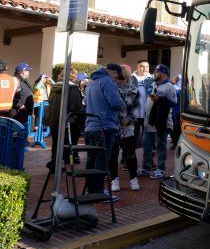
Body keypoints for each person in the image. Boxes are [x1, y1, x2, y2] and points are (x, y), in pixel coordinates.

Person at [83, 63, 125, 198]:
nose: (116, 80)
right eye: (117, 76)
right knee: (102, 159)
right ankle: (99, 192)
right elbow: (116, 103)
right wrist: (123, 103)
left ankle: (91, 190)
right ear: (113, 72)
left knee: (91, 159)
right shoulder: (107, 81)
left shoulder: (91, 82)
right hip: (105, 125)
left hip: (90, 126)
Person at [138, 64, 177, 180]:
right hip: (149, 121)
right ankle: (146, 167)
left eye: (157, 71)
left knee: (160, 146)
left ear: (164, 73)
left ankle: (161, 169)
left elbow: (174, 103)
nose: (155, 73)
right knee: (146, 145)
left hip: (161, 122)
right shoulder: (153, 84)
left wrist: (160, 99)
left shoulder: (169, 87)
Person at [44, 68, 83, 169]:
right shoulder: (73, 88)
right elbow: (76, 106)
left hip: (54, 120)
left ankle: (55, 163)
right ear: (73, 75)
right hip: (67, 120)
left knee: (56, 142)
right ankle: (66, 163)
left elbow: (50, 102)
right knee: (67, 143)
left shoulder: (55, 86)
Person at [111, 66, 141, 192]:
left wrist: (128, 120)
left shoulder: (134, 90)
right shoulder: (111, 89)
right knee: (113, 154)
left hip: (128, 127)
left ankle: (133, 179)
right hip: (113, 126)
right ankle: (114, 179)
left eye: (122, 77)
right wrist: (117, 119)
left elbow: (136, 108)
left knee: (130, 155)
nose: (120, 80)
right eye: (118, 77)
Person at [131, 60, 151, 149]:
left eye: (146, 67)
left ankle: (148, 159)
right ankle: (128, 157)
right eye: (142, 66)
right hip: (134, 114)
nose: (144, 69)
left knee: (148, 139)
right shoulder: (130, 79)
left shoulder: (152, 80)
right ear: (137, 67)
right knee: (131, 137)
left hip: (148, 114)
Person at [170, 73, 182, 148]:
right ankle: (175, 142)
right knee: (174, 127)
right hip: (174, 110)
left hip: (180, 111)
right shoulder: (172, 85)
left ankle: (177, 143)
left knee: (178, 128)